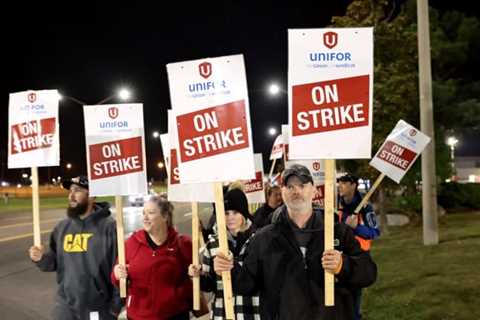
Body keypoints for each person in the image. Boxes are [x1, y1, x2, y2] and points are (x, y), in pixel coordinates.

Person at [214, 164, 377, 320]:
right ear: (282, 192)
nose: (296, 191)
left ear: (313, 190)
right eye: (290, 186)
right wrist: (228, 269)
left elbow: (368, 274)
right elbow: (246, 285)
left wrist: (342, 265)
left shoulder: (337, 232)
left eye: (302, 185)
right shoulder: (263, 238)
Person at [28, 176, 121, 320]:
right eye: (70, 191)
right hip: (65, 308)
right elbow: (53, 262)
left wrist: (115, 307)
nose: (71, 196)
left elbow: (119, 270)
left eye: (77, 191)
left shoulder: (110, 228)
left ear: (92, 195)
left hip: (98, 308)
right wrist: (40, 258)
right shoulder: (62, 227)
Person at [112, 194, 193, 320]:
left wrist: (195, 274)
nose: (145, 218)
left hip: (175, 315)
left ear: (165, 216)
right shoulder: (131, 244)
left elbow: (195, 278)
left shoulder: (183, 244)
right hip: (139, 316)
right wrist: (117, 274)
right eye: (143, 213)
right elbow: (117, 279)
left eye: (150, 213)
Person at [189, 188, 260, 320]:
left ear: (244, 213)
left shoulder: (259, 240)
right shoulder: (213, 243)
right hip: (222, 313)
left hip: (250, 311)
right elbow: (209, 285)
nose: (230, 217)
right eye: (226, 213)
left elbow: (261, 280)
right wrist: (197, 276)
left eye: (235, 212)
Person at [337, 173, 380, 320]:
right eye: (339, 183)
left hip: (358, 258)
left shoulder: (365, 206)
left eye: (344, 183)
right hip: (338, 257)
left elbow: (374, 232)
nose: (340, 186)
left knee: (354, 298)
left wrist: (356, 227)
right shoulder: (336, 204)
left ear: (353, 185)